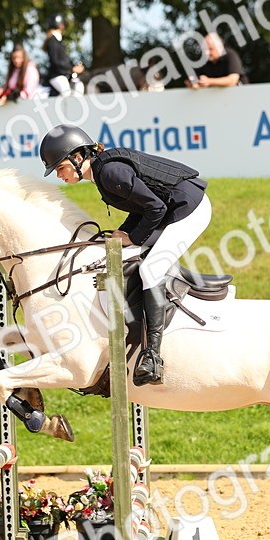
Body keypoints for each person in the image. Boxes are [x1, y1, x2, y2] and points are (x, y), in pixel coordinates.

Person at [38, 124, 211, 387]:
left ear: (77, 157)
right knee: (126, 256)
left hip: (189, 208)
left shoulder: (109, 172)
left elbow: (155, 207)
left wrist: (133, 237)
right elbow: (141, 207)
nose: (59, 176)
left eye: (60, 168)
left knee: (151, 268)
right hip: (169, 208)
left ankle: (152, 355)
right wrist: (124, 233)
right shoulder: (102, 172)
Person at [42, 14, 85, 96]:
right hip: (56, 76)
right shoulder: (53, 41)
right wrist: (72, 69)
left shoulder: (57, 41)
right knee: (66, 92)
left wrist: (73, 67)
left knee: (78, 86)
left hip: (63, 74)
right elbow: (55, 61)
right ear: (61, 26)